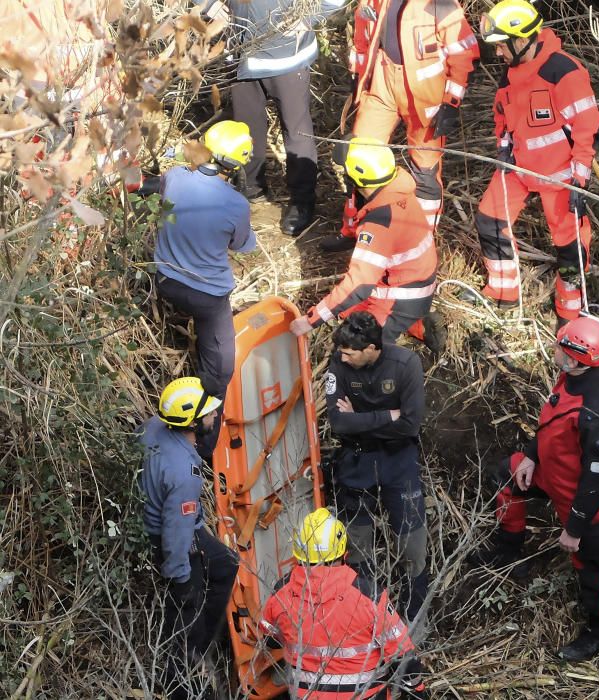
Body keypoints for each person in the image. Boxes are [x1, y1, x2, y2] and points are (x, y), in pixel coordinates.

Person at [474, 316, 599, 661]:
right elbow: (552, 421)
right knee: (506, 476)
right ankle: (510, 547)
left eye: (562, 346)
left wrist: (574, 529)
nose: (555, 349)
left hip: (589, 503)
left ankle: (597, 631)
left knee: (594, 567)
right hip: (555, 475)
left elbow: (597, 480)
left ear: (578, 357)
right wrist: (531, 456)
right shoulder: (573, 377)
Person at [470, 0, 599, 324]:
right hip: (518, 168)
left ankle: (569, 313)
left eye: (502, 45)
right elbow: (502, 116)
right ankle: (504, 293)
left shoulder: (563, 72)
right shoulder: (511, 74)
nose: (499, 53)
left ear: (521, 39)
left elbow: (587, 128)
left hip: (560, 177)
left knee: (570, 247)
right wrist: (503, 149)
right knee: (489, 220)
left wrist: (580, 183)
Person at [318, 0, 479, 251]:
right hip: (381, 84)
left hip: (425, 94)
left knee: (425, 171)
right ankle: (356, 230)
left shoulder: (439, 3)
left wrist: (452, 101)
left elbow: (463, 52)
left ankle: (422, 243)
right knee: (358, 156)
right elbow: (362, 42)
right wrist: (358, 78)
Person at [316, 311, 429, 623]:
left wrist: (361, 419)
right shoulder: (339, 364)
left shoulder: (406, 364)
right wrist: (387, 415)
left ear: (371, 348)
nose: (342, 356)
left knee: (412, 547)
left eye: (350, 352)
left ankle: (414, 621)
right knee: (357, 547)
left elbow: (409, 425)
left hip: (398, 460)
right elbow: (338, 423)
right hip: (356, 459)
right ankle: (362, 615)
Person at [154, 120, 256, 457]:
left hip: (166, 281)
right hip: (208, 297)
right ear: (238, 162)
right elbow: (242, 246)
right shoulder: (236, 204)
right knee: (220, 371)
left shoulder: (175, 178)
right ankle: (205, 444)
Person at [289, 138, 445, 353]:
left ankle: (413, 325)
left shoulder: (379, 224)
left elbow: (358, 286)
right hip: (404, 281)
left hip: (400, 296)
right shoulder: (396, 189)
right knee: (347, 312)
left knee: (357, 349)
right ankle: (413, 322)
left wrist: (311, 319)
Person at [139, 377, 240, 700]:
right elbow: (176, 532)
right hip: (174, 537)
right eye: (209, 414)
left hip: (168, 523)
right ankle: (181, 680)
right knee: (184, 611)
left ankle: (201, 643)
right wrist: (180, 576)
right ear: (193, 422)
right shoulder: (185, 474)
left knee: (225, 565)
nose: (214, 417)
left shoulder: (154, 427)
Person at [260, 508, 428, 699]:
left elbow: (270, 639)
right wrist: (419, 692)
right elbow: (402, 657)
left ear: (299, 554)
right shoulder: (369, 596)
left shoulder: (281, 593)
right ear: (344, 552)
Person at [227, 0, 349, 235]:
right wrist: (209, 5)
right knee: (246, 127)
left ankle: (302, 201)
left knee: (296, 131)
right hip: (240, 54)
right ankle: (250, 187)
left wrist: (309, 17)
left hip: (288, 57)